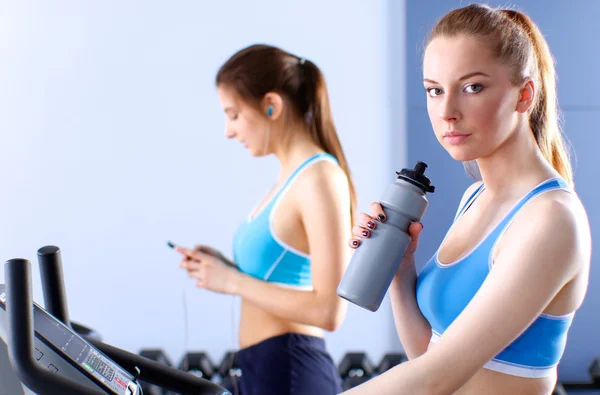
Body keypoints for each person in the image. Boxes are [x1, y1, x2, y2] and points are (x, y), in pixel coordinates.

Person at [347, 4, 591, 395]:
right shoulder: (475, 197)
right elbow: (428, 356)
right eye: (434, 90)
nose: (447, 112)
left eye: (472, 87)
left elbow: (436, 379)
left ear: (524, 95)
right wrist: (399, 267)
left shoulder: (550, 219)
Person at [175, 44, 356, 395]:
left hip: (291, 371)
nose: (228, 131)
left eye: (233, 114)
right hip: (264, 369)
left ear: (271, 105)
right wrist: (226, 268)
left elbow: (330, 310)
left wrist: (231, 281)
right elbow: (282, 277)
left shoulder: (319, 178)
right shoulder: (287, 179)